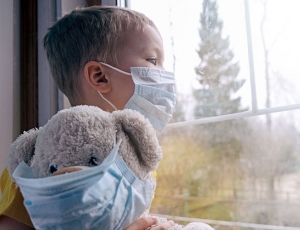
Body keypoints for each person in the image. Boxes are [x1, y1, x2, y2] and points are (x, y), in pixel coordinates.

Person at [0, 6, 176, 230]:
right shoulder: (31, 168)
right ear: (99, 76)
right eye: (152, 60)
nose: (165, 75)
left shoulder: (134, 164)